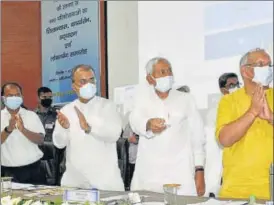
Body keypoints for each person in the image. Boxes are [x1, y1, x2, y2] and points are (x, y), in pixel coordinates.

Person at [129, 57, 206, 196]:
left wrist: (199, 170)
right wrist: (148, 124)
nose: (168, 75)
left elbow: (198, 136)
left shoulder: (186, 99)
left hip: (180, 174)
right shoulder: (141, 98)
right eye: (162, 72)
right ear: (150, 79)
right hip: (149, 175)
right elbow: (134, 120)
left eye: (169, 71)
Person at [52, 64, 124, 190]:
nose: (88, 84)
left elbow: (115, 134)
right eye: (83, 81)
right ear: (73, 86)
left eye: (92, 80)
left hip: (105, 182)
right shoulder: (66, 110)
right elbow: (59, 144)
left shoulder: (107, 106)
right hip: (75, 182)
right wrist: (64, 128)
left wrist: (89, 128)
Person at [216, 48, 273, 199]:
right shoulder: (228, 101)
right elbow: (224, 139)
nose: (268, 69)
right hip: (236, 192)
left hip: (270, 191)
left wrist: (271, 118)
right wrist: (252, 112)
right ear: (245, 71)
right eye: (261, 64)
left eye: (270, 65)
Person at [1, 82, 46, 184]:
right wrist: (8, 129)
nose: (14, 98)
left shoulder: (31, 115)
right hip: (9, 173)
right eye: (10, 95)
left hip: (34, 170)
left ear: (22, 97)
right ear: (3, 98)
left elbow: (40, 140)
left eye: (17, 95)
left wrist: (23, 130)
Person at [35, 87, 63, 185]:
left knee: (52, 186)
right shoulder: (32, 116)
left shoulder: (57, 115)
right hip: (36, 158)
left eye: (50, 97)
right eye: (44, 97)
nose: (48, 99)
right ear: (38, 98)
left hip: (53, 157)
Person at [122, 112, 139, 190]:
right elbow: (123, 139)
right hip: (131, 157)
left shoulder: (144, 126)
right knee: (131, 176)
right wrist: (128, 139)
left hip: (142, 157)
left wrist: (138, 141)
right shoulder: (128, 126)